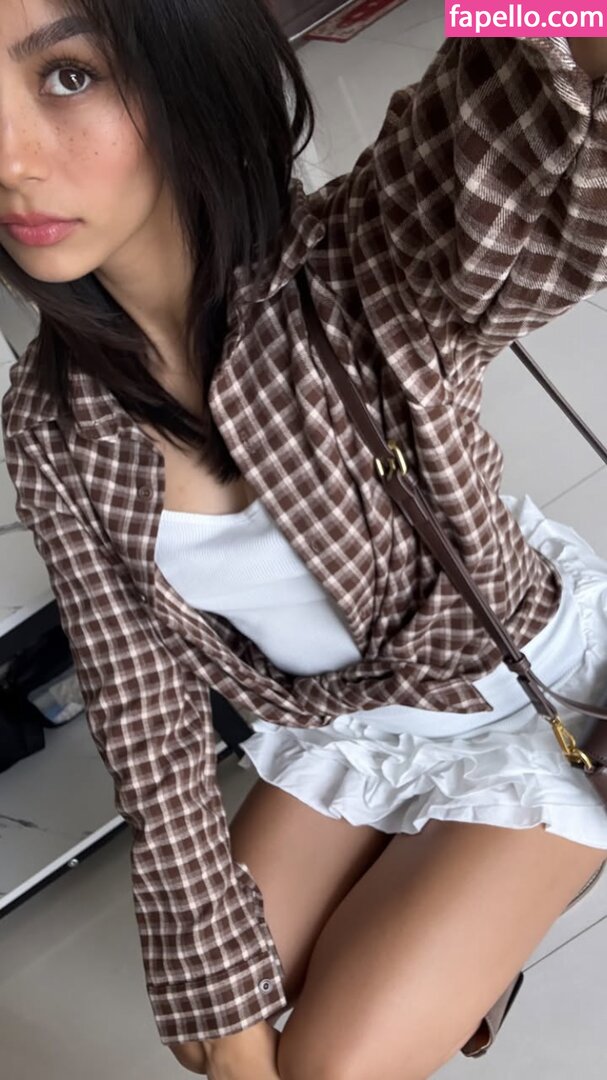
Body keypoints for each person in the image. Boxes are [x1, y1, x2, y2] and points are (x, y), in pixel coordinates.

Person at [1, 1, 607, 1076]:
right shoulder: (49, 425)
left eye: (68, 75)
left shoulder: (359, 257)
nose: (8, 160)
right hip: (341, 727)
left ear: (183, 64)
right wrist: (221, 1009)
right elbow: (141, 702)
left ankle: (497, 889)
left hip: (522, 698)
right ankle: (448, 930)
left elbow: (538, 67)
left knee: (327, 1064)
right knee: (209, 1025)